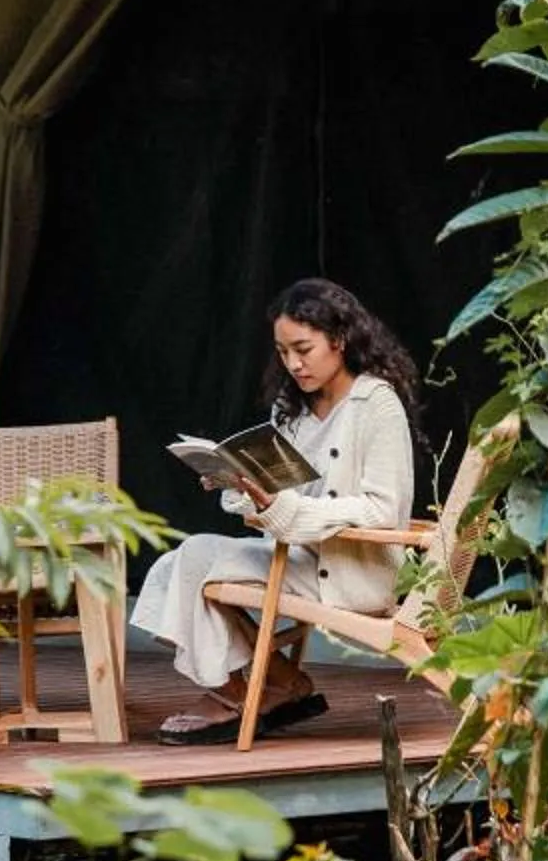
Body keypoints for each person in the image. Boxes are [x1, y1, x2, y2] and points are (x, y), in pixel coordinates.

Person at [133, 277, 420, 744]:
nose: (293, 363)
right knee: (177, 564)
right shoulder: (295, 409)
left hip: (352, 566)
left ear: (339, 340)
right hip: (299, 554)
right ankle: (277, 684)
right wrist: (238, 483)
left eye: (303, 349)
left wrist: (284, 510)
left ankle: (237, 695)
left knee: (196, 560)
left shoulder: (375, 405)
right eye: (283, 352)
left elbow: (383, 510)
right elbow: (277, 492)